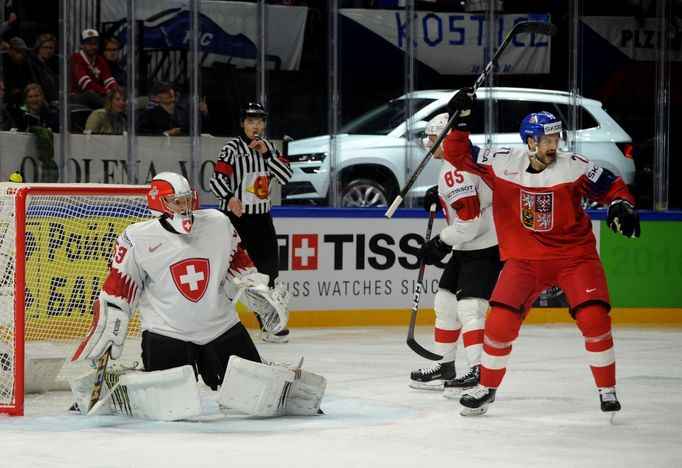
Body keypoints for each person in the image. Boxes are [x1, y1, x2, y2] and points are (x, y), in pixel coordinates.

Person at [443, 88, 641, 416]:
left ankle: (607, 389)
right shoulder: (502, 162)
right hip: (524, 260)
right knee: (499, 325)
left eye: (556, 139)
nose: (554, 146)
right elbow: (457, 154)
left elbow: (612, 188)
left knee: (594, 319)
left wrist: (621, 205)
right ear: (530, 142)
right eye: (547, 140)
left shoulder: (574, 166)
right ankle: (487, 388)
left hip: (575, 258)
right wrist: (460, 122)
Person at [71, 172, 264, 391]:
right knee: (173, 401)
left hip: (220, 326)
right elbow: (119, 288)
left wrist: (256, 286)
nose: (184, 207)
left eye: (187, 200)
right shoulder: (136, 238)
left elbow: (238, 264)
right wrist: (112, 318)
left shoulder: (218, 223)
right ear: (159, 203)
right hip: (167, 331)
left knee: (253, 390)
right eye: (176, 202)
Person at [409, 113, 502, 395]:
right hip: (468, 245)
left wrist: (440, 243)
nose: (428, 144)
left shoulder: (455, 169)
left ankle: (477, 371)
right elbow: (473, 192)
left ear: (447, 137)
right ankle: (444, 365)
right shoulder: (455, 162)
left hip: (484, 244)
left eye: (432, 138)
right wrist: (439, 194)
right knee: (446, 303)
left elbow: (470, 221)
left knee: (470, 307)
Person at [209, 102, 293, 343]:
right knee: (223, 273)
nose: (255, 126)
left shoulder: (271, 149)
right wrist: (229, 197)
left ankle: (269, 325)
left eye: (259, 122)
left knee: (268, 274)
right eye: (250, 121)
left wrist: (267, 154)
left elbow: (286, 176)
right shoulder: (231, 149)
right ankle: (213, 324)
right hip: (234, 219)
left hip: (261, 219)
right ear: (242, 123)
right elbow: (217, 179)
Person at [69, 29, 119, 109]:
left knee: (119, 90)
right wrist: (106, 91)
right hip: (75, 96)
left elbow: (109, 79)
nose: (93, 47)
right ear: (81, 45)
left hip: (96, 95)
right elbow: (85, 83)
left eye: (95, 43)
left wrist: (116, 91)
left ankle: (120, 103)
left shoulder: (99, 59)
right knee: (90, 94)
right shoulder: (75, 58)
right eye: (90, 44)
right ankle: (118, 105)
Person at [137, 80, 208, 136]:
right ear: (156, 98)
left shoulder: (184, 111)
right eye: (164, 91)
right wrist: (165, 133)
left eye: (170, 89)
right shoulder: (149, 114)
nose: (170, 92)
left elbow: (198, 130)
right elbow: (142, 134)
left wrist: (203, 113)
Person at [26, 33, 58, 108]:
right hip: (42, 104)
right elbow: (35, 86)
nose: (49, 50)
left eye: (51, 48)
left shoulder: (51, 64)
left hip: (56, 102)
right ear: (38, 48)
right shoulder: (31, 64)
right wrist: (49, 103)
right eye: (45, 47)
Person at [2, 36, 37, 105]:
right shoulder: (4, 63)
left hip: (26, 96)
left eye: (23, 52)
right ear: (10, 50)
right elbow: (7, 89)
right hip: (10, 100)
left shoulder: (26, 63)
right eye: (18, 51)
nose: (22, 55)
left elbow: (34, 82)